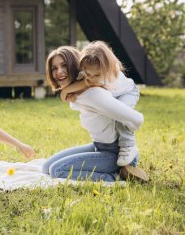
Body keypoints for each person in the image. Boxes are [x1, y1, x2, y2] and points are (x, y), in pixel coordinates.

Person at [42, 46, 149, 182]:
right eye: (54, 68)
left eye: (64, 66)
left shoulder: (94, 94)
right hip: (99, 146)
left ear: (76, 66)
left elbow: (136, 119)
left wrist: (127, 139)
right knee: (46, 167)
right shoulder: (79, 92)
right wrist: (67, 91)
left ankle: (116, 176)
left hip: (115, 154)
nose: (59, 72)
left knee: (57, 170)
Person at [60, 41, 140, 167]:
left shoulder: (108, 74)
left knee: (120, 117)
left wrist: (67, 90)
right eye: (87, 73)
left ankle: (128, 146)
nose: (91, 77)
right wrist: (71, 90)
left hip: (128, 92)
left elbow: (87, 84)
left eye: (96, 74)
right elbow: (85, 83)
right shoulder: (93, 71)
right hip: (102, 140)